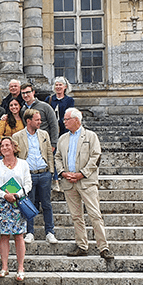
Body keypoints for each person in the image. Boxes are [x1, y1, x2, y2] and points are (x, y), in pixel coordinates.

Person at [55, 108, 114, 260]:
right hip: (69, 182)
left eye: (67, 119)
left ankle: (103, 247)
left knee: (95, 214)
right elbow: (57, 157)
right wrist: (62, 172)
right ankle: (82, 245)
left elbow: (96, 156)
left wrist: (82, 173)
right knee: (76, 216)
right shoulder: (62, 138)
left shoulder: (90, 136)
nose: (64, 121)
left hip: (86, 182)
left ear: (76, 120)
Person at [13, 109, 57, 245]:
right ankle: (29, 232)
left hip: (44, 173)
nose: (40, 122)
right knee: (28, 204)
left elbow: (49, 152)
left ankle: (50, 232)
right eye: (37, 120)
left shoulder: (44, 134)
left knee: (46, 204)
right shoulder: (17, 136)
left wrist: (50, 171)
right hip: (28, 175)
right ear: (28, 121)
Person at [0, 136, 32, 281]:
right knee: (4, 235)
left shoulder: (23, 164)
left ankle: (20, 268)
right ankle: (4, 267)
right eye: (2, 146)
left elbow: (28, 184)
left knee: (19, 235)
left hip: (17, 203)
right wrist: (4, 195)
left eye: (8, 145)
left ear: (14, 147)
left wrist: (17, 194)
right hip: (2, 204)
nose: (5, 148)